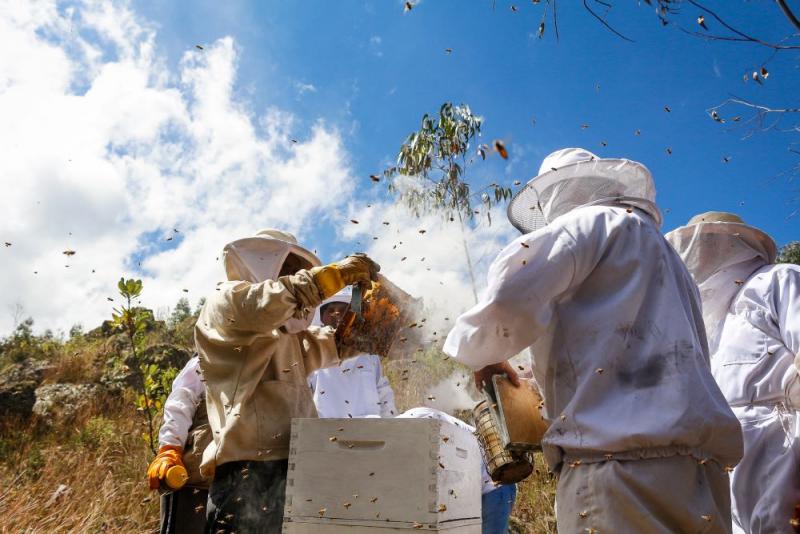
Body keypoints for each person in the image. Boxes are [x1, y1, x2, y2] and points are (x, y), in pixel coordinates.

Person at [444, 148, 743, 533]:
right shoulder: (669, 257)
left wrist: (484, 353)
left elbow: (507, 296)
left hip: (617, 468)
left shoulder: (590, 223)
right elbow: (618, 349)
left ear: (558, 193)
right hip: (702, 473)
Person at [195, 229, 379, 533]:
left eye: (299, 271)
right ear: (263, 262)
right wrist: (335, 275)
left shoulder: (287, 337)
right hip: (247, 475)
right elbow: (265, 303)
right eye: (289, 269)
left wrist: (372, 328)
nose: (296, 276)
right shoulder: (227, 301)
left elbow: (331, 344)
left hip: (299, 470)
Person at [311, 288, 516, 534]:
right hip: (336, 451)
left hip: (378, 446)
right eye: (329, 311)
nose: (335, 316)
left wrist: (390, 436)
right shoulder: (310, 358)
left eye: (342, 311)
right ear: (319, 317)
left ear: (351, 315)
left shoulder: (369, 358)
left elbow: (385, 399)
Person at [666, 212, 800, 533]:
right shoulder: (704, 329)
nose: (702, 251)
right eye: (699, 243)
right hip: (724, 470)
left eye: (711, 240)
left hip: (785, 450)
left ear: (734, 242)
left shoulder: (779, 279)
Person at [146, 355, 210, 534]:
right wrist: (170, 448)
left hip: (239, 482)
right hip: (193, 478)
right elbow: (181, 400)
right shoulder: (205, 358)